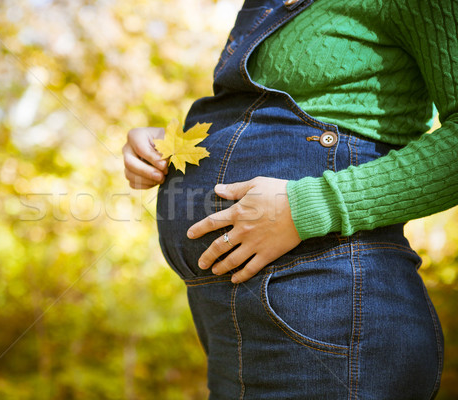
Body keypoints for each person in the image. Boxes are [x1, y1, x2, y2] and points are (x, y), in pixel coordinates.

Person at [122, 0, 458, 398]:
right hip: (230, 321)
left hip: (328, 311)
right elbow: (256, 119)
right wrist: (168, 148)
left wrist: (307, 206)